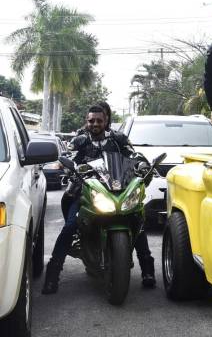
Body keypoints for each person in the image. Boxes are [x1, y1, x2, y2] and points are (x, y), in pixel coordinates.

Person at [42, 105, 157, 294]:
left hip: (116, 190)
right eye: (91, 120)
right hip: (83, 192)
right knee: (70, 226)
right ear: (87, 122)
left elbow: (133, 154)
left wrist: (143, 164)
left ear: (106, 121)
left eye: (99, 120)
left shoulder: (118, 139)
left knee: (137, 220)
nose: (95, 124)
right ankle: (52, 276)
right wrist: (69, 166)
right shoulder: (79, 140)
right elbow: (67, 157)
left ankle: (148, 271)